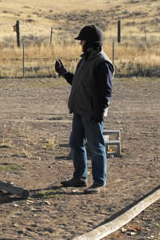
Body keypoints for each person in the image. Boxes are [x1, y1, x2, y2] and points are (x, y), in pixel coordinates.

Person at [55, 25, 114, 194]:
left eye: (82, 40)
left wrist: (100, 111)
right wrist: (64, 73)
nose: (80, 43)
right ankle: (79, 178)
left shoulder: (102, 62)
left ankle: (99, 181)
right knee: (75, 142)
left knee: (96, 146)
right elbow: (79, 83)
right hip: (80, 110)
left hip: (92, 112)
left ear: (91, 42)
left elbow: (106, 91)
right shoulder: (86, 59)